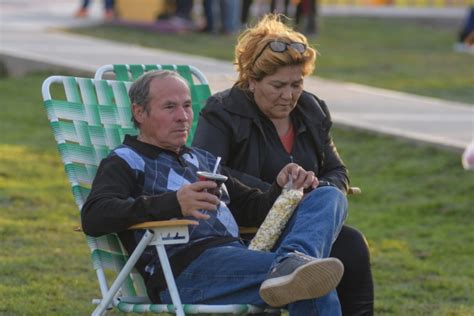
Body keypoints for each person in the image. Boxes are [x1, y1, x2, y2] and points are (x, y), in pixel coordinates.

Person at [81, 70, 349, 315]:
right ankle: (290, 265)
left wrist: (283, 187)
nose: (183, 116)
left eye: (186, 106)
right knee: (312, 280)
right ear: (140, 113)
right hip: (188, 271)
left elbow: (254, 209)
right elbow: (94, 216)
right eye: (169, 107)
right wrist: (173, 203)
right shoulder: (126, 160)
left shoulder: (203, 160)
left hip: (237, 259)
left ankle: (291, 260)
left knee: (328, 196)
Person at [192, 14, 374, 315]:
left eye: (296, 84)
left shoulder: (311, 109)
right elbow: (207, 170)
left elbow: (337, 172)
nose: (289, 95)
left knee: (348, 236)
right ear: (252, 80)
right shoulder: (223, 111)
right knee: (336, 247)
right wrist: (277, 189)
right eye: (277, 85)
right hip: (247, 225)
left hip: (301, 225)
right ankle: (294, 266)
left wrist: (313, 188)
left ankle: (294, 264)